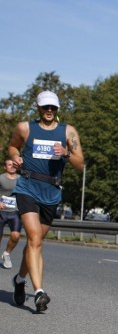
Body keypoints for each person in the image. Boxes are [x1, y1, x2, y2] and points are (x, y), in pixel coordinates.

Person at [7, 91, 85, 311]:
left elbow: (80, 164)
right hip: (28, 187)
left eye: (53, 107)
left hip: (51, 192)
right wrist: (16, 157)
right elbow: (12, 146)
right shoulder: (25, 128)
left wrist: (66, 154)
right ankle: (40, 292)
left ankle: (20, 280)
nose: (49, 111)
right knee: (33, 238)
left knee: (36, 242)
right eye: (45, 107)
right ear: (38, 108)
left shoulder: (68, 132)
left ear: (57, 109)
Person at [0, 159, 22, 269]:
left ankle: (6, 253)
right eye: (9, 165)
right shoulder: (1, 178)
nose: (12, 166)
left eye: (13, 165)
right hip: (1, 212)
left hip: (14, 212)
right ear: (5, 167)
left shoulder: (20, 179)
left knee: (16, 235)